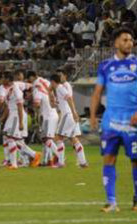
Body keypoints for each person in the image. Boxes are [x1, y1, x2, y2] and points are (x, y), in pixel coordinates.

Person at [90, 27, 137, 212]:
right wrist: (93, 116)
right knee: (109, 159)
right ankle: (111, 202)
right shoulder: (105, 65)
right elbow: (97, 93)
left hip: (132, 122)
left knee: (135, 160)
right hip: (111, 122)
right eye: (125, 40)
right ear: (116, 43)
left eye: (131, 40)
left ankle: (136, 200)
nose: (129, 43)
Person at [2, 73, 41, 169]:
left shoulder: (16, 90)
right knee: (15, 140)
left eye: (4, 79)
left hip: (16, 116)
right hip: (13, 115)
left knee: (11, 138)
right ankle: (34, 155)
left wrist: (20, 122)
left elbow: (19, 106)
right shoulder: (10, 88)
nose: (2, 81)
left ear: (8, 79)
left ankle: (14, 164)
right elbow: (30, 86)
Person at [50, 73, 87, 168]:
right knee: (73, 139)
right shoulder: (58, 89)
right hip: (69, 115)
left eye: (51, 82)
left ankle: (61, 163)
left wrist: (74, 112)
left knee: (58, 137)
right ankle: (83, 162)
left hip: (67, 115)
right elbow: (61, 103)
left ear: (53, 82)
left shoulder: (60, 88)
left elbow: (69, 98)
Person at [27, 71, 59, 166]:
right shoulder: (45, 81)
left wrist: (35, 112)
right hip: (52, 113)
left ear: (32, 77)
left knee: (47, 139)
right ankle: (47, 160)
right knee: (46, 139)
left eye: (29, 78)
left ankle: (60, 156)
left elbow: (37, 103)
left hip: (48, 115)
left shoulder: (36, 86)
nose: (29, 81)